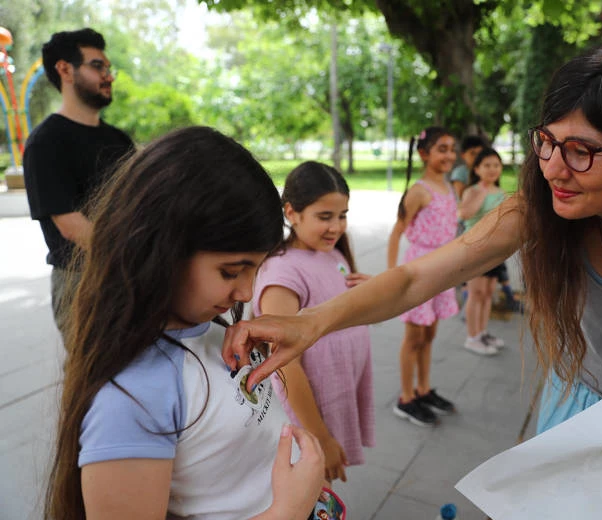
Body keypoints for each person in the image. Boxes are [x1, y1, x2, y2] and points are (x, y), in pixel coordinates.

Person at [222, 40, 602, 520]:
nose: (553, 169)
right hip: (585, 415)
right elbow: (415, 278)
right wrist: (311, 323)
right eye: (547, 142)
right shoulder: (543, 206)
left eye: (581, 151)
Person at [46, 127, 325, 520]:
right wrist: (287, 512)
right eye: (231, 271)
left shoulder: (209, 326)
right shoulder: (132, 400)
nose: (247, 292)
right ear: (160, 250)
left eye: (256, 269)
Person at [252, 161, 375, 484]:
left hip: (334, 396)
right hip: (309, 418)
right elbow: (285, 365)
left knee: (323, 491)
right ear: (291, 213)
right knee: (311, 491)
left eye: (342, 215)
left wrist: (370, 296)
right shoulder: (282, 273)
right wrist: (320, 437)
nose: (336, 227)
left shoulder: (332, 254)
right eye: (325, 217)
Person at [22, 28, 134, 334]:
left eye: (108, 68)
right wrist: (133, 258)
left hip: (130, 273)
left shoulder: (119, 140)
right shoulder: (45, 142)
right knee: (102, 366)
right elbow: (71, 226)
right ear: (65, 70)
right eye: (97, 66)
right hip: (83, 282)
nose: (108, 76)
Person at [386, 127, 459, 427]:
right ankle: (406, 398)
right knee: (414, 337)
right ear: (424, 153)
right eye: (442, 149)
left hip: (442, 269)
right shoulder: (418, 191)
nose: (449, 155)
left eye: (452, 149)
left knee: (429, 334)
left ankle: (423, 389)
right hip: (419, 269)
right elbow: (396, 233)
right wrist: (392, 275)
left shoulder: (449, 187)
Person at [457, 147, 507, 356]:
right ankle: (472, 337)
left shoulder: (502, 194)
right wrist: (482, 193)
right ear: (476, 169)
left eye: (496, 165)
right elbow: (464, 214)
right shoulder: (472, 191)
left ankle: (482, 333)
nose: (492, 169)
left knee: (487, 294)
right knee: (475, 294)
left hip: (494, 251)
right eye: (487, 165)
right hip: (475, 249)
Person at [449, 135, 486, 199]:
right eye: (472, 153)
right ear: (463, 155)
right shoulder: (459, 172)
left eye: (480, 154)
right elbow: (460, 195)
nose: (477, 157)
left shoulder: (486, 170)